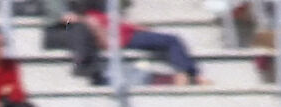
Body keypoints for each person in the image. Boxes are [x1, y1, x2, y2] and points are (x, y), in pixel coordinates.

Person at [70, 0, 204, 86]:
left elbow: (122, 24)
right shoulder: (90, 20)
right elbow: (107, 39)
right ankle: (191, 75)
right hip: (127, 39)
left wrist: (139, 28)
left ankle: (190, 75)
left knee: (171, 40)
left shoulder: (98, 14)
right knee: (173, 40)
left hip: (130, 34)